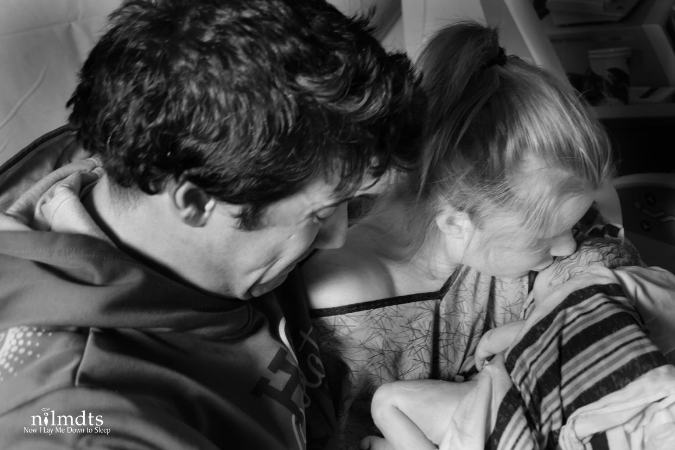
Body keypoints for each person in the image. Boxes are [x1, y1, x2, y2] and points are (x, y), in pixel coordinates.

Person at [0, 0, 424, 449]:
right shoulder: (82, 420)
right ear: (197, 202)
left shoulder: (183, 149)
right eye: (319, 215)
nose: (336, 237)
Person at [300, 20, 637, 449]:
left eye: (575, 223)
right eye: (545, 236)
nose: (568, 246)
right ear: (457, 222)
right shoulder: (338, 313)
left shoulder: (538, 245)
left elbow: (629, 293)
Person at [362, 236, 675, 450]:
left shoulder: (562, 313)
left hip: (496, 409)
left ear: (570, 281)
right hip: (514, 428)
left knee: (387, 401)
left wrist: (485, 349)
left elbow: (490, 341)